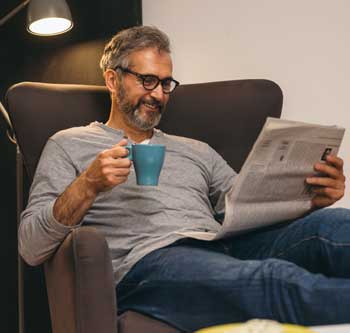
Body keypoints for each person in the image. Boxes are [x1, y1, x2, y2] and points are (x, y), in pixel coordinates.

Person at [18, 25, 350, 333]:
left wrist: (310, 199)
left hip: (221, 245)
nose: (159, 95)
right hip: (149, 263)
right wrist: (88, 184)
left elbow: (250, 206)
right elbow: (32, 247)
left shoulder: (196, 150)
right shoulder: (69, 144)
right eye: (147, 80)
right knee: (275, 279)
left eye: (165, 83)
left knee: (333, 227)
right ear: (112, 80)